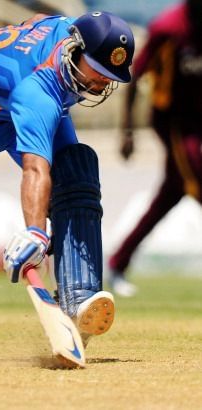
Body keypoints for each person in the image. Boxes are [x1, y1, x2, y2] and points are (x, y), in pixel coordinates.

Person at [0, 11, 135, 345]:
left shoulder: (70, 34)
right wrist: (36, 233)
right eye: (97, 72)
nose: (100, 84)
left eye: (109, 77)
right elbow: (35, 169)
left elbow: (41, 17)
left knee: (75, 170)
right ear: (75, 51)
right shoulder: (39, 92)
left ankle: (80, 299)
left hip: (21, 97)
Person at [108, 0, 202, 297]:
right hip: (173, 121)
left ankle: (117, 263)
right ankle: (116, 263)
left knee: (170, 195)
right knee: (197, 182)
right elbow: (135, 77)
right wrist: (127, 132)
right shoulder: (168, 28)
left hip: (197, 120)